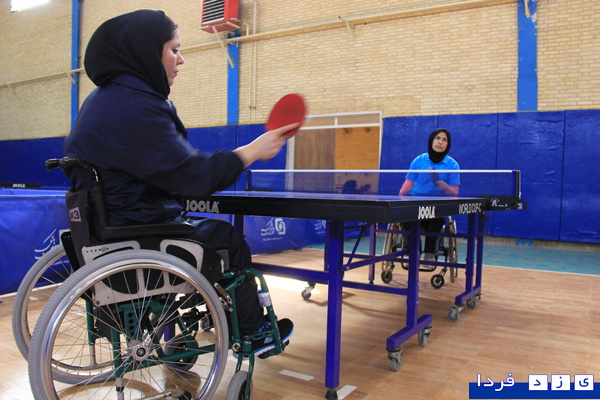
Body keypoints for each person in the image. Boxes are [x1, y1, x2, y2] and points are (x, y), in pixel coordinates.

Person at [63, 9, 294, 357]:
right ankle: (252, 331)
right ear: (146, 52)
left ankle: (197, 320)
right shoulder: (138, 106)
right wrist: (251, 152)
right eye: (174, 49)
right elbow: (194, 176)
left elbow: (159, 170)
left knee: (202, 231)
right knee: (226, 238)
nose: (181, 59)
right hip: (139, 236)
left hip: (107, 232)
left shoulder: (101, 100)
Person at [398, 128, 459, 261]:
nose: (440, 142)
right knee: (407, 217)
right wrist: (400, 202)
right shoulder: (418, 160)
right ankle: (413, 254)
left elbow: (454, 194)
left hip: (437, 205)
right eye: (438, 138)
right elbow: (406, 186)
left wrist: (438, 182)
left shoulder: (452, 165)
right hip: (415, 203)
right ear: (432, 141)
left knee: (437, 217)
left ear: (448, 144)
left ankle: (429, 255)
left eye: (444, 140)